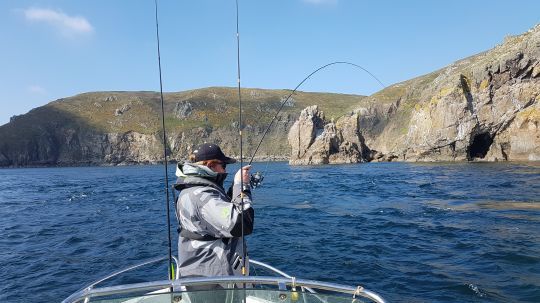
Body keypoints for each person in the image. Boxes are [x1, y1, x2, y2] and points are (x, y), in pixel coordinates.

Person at [174, 143, 254, 282]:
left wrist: (233, 191)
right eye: (223, 166)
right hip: (215, 280)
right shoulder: (202, 196)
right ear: (211, 165)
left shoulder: (192, 191)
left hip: (204, 273)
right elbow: (242, 224)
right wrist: (242, 186)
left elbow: (214, 218)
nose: (225, 171)